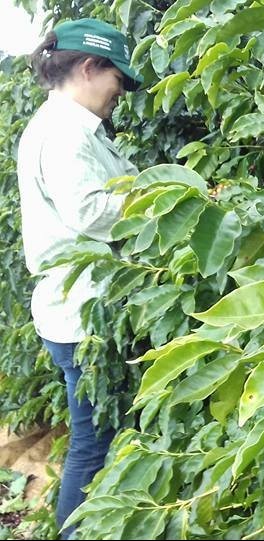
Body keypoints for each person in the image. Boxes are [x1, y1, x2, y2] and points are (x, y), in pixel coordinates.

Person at [16, 18, 143, 539]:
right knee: (94, 442)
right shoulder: (66, 131)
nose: (119, 93)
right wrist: (167, 202)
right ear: (90, 67)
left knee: (101, 436)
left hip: (79, 309)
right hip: (85, 313)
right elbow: (91, 212)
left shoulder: (66, 126)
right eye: (117, 79)